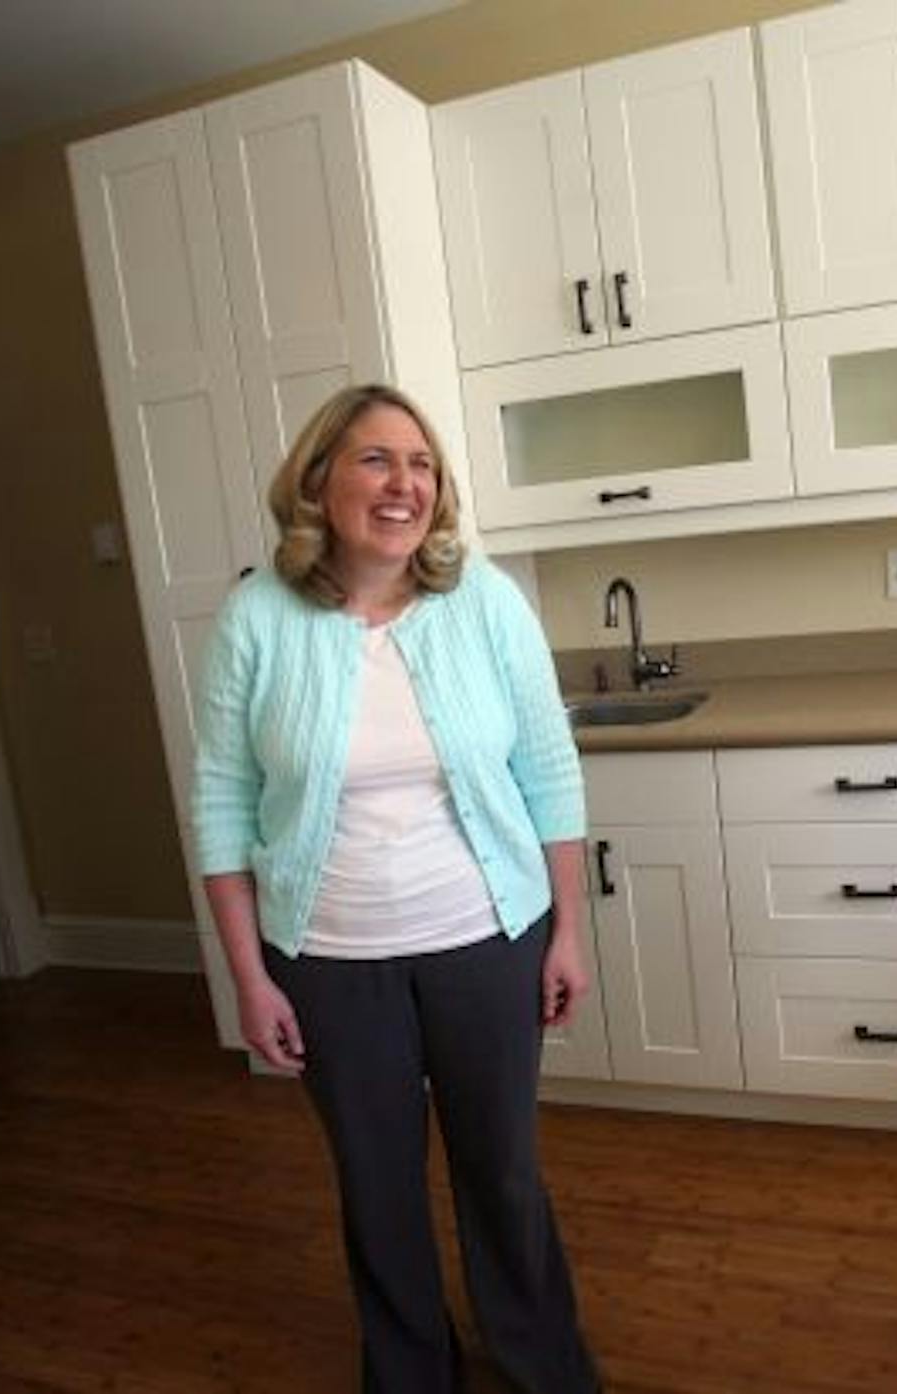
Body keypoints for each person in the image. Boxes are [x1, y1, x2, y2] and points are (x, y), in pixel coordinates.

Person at [190, 383, 600, 1394]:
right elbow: (220, 803)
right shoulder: (255, 615)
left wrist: (567, 933)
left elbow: (549, 770)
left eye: (421, 464)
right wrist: (249, 977)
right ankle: (412, 1372)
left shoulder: (485, 599)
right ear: (318, 477)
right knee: (376, 1186)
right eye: (376, 459)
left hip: (485, 935)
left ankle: (543, 1360)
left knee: (501, 1171)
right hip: (327, 958)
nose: (404, 483)